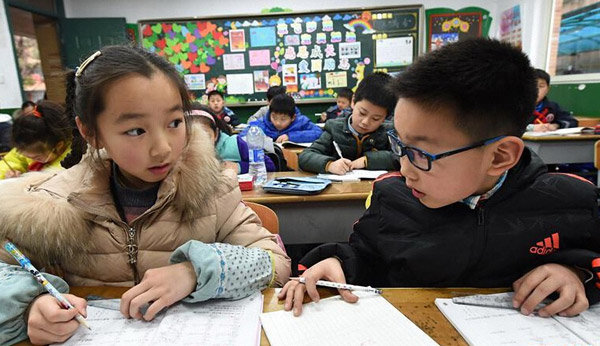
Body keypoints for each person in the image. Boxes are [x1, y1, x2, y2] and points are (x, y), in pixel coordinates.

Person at [281, 38, 600, 317]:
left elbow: (591, 261)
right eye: (400, 145)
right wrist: (339, 263)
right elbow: (367, 255)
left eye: (421, 154)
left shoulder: (570, 203)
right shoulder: (393, 196)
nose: (403, 168)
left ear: (500, 156)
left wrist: (577, 273)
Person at [0, 45, 290, 345]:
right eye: (136, 130)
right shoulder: (49, 203)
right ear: (89, 132)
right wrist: (27, 308)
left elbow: (275, 264)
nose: (163, 147)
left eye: (175, 123)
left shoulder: (212, 189)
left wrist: (195, 272)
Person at [298, 73, 399, 174]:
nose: (365, 122)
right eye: (362, 113)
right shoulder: (334, 128)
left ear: (385, 118)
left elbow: (403, 158)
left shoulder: (389, 133)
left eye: (376, 118)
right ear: (353, 101)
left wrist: (367, 160)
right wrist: (329, 165)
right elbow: (305, 157)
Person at [188, 103, 276, 173]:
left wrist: (239, 167)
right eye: (192, 137)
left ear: (215, 134)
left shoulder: (235, 144)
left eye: (206, 136)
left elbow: (269, 165)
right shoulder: (180, 153)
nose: (200, 142)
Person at [0, 101, 72, 179]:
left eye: (37, 158)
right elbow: (12, 161)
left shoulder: (73, 161)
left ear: (59, 146)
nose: (32, 159)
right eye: (27, 156)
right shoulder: (27, 145)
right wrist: (9, 172)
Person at [240, 94, 322, 144]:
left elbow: (319, 133)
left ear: (293, 117)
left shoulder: (301, 122)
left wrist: (291, 137)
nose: (278, 123)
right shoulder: (262, 123)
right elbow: (241, 137)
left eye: (283, 119)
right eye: (274, 118)